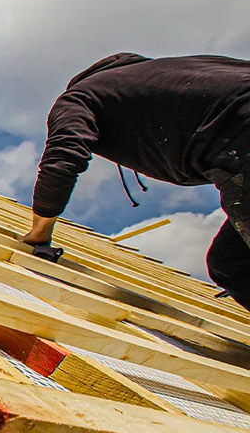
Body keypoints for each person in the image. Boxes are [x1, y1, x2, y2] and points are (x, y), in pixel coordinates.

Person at [20, 53, 250, 310]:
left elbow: (64, 156)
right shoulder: (173, 73)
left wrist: (40, 232)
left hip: (241, 140)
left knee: (233, 265)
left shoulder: (80, 97)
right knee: (230, 263)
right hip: (237, 142)